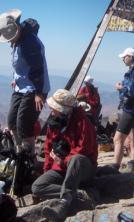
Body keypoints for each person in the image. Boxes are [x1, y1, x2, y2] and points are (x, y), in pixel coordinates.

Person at [32, 89, 98, 222]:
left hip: (83, 168)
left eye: (55, 108)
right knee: (37, 187)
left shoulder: (83, 123)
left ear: (64, 110)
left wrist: (62, 162)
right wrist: (47, 171)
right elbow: (48, 149)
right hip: (61, 168)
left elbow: (82, 150)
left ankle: (63, 204)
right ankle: (78, 193)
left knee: (76, 159)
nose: (52, 111)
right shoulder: (55, 122)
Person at [0, 9, 50, 155]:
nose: (8, 40)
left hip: (34, 89)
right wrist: (16, 78)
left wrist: (39, 93)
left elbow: (37, 68)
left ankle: (28, 159)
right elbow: (20, 64)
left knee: (24, 124)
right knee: (11, 121)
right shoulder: (19, 39)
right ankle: (19, 151)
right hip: (21, 87)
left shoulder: (29, 43)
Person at [113, 47, 134, 174]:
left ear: (130, 57)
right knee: (133, 137)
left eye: (124, 57)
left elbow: (133, 91)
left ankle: (115, 168)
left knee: (118, 139)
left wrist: (120, 88)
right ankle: (133, 166)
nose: (122, 59)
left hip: (131, 108)